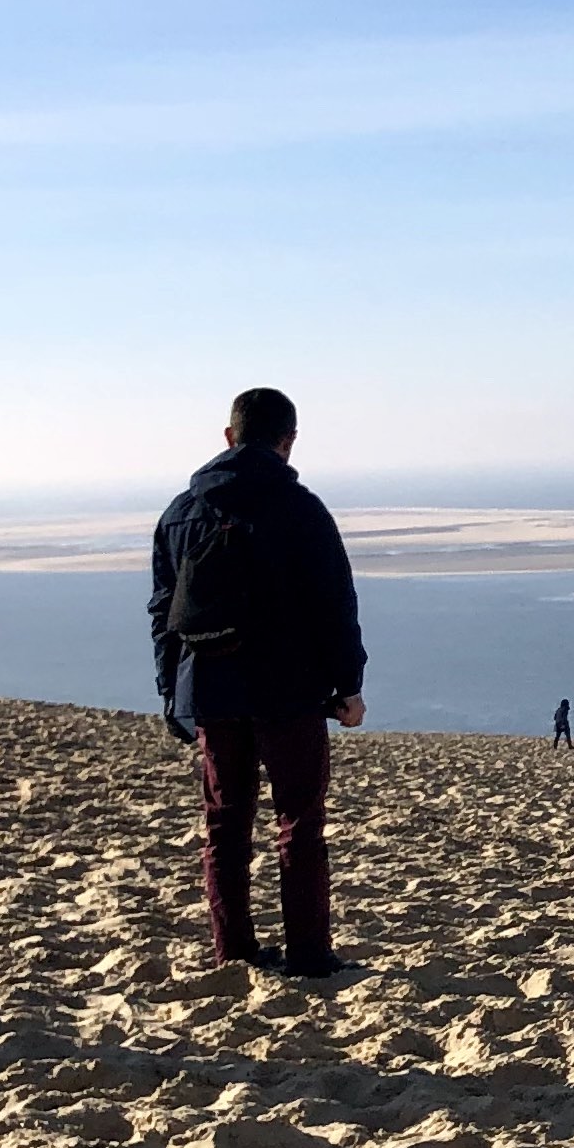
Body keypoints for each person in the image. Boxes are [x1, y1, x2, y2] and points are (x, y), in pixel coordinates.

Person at [150, 388, 364, 977]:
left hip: (210, 691)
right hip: (288, 691)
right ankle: (310, 956)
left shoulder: (180, 512)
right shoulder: (301, 508)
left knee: (224, 825)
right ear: (288, 440)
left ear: (228, 436)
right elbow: (334, 604)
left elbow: (162, 611)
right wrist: (348, 685)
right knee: (298, 821)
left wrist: (172, 691)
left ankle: (235, 951)